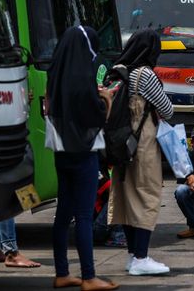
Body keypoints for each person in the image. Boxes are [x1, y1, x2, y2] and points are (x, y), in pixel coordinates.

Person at [46, 25, 118, 290]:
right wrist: (107, 99)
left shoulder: (55, 74)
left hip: (60, 152)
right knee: (85, 216)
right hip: (84, 153)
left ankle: (62, 272)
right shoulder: (82, 77)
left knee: (63, 214)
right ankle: (89, 276)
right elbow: (98, 119)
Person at [108, 29, 174, 276]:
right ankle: (141, 257)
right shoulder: (145, 75)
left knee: (126, 197)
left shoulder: (118, 69)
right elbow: (167, 109)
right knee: (147, 195)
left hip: (121, 144)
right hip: (142, 144)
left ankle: (132, 256)